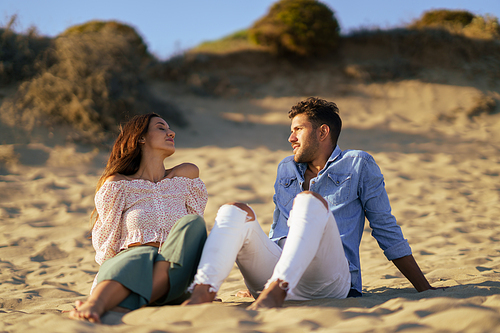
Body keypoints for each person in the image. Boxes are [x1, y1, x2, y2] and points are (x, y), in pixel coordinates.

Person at [183, 97, 439, 309]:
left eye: (298, 130)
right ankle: (202, 292)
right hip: (276, 269)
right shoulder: (285, 167)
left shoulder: (358, 163)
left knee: (308, 203)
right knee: (233, 210)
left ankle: (277, 289)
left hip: (329, 281)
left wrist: (423, 288)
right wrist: (261, 268)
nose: (290, 138)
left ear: (323, 132)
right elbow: (278, 228)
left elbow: (385, 227)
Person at [69, 113, 208, 322]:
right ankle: (98, 303)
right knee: (141, 254)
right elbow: (107, 242)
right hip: (128, 271)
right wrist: (107, 275)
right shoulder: (118, 184)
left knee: (193, 224)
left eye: (169, 129)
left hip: (175, 275)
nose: (171, 132)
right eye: (161, 128)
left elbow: (192, 240)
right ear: (140, 137)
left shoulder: (186, 177)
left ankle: (118, 304)